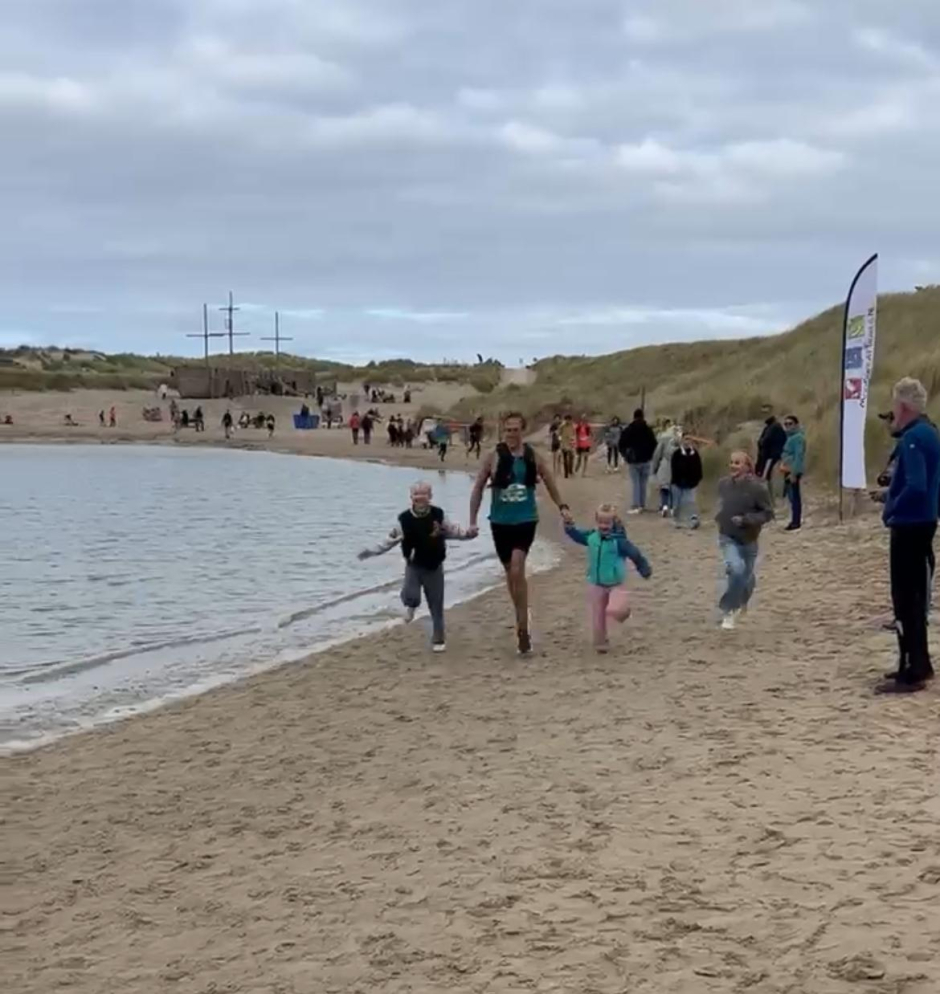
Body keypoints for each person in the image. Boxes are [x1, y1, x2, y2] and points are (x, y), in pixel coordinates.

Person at [469, 411, 571, 656]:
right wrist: (472, 521)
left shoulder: (532, 456)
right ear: (503, 431)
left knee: (517, 568)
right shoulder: (492, 457)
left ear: (522, 431)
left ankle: (522, 627)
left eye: (516, 429)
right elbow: (478, 488)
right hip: (500, 522)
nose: (512, 434)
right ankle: (521, 616)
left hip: (526, 519)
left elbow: (549, 481)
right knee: (510, 573)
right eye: (508, 430)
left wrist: (562, 507)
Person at [358, 481, 475, 652]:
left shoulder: (438, 515)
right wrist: (370, 552)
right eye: (416, 494)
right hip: (414, 565)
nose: (419, 497)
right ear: (411, 497)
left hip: (434, 566)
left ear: (430, 497)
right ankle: (410, 607)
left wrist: (468, 534)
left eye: (423, 494)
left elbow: (452, 531)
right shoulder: (403, 520)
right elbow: (388, 542)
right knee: (411, 595)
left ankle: (438, 639)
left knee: (436, 605)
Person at [877, 377, 940, 694]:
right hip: (924, 521)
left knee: (906, 598)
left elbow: (916, 484)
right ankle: (919, 663)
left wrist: (891, 509)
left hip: (911, 523)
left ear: (902, 406)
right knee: (914, 596)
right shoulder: (929, 432)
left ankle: (912, 670)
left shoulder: (914, 438)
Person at [564, 503, 652, 653]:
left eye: (607, 522)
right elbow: (578, 536)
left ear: (614, 523)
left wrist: (643, 568)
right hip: (596, 583)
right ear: (596, 522)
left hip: (615, 583)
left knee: (614, 610)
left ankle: (624, 612)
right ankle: (601, 642)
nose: (604, 526)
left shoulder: (619, 542)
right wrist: (569, 527)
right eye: (601, 522)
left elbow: (634, 553)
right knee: (598, 615)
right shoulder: (592, 537)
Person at [716, 451, 774, 630]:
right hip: (727, 536)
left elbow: (768, 513)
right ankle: (728, 610)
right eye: (731, 462)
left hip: (749, 539)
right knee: (736, 569)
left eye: (738, 463)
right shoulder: (723, 484)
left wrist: (746, 519)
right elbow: (721, 504)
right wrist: (719, 516)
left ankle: (741, 601)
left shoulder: (758, 488)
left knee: (747, 579)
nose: (733, 466)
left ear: (747, 467)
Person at [619, 409, 658, 513]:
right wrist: (650, 455)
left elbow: (621, 444)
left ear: (634, 416)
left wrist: (625, 456)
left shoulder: (629, 430)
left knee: (636, 483)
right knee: (643, 483)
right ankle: (642, 504)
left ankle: (636, 504)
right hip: (646, 460)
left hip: (633, 460)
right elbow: (654, 444)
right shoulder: (648, 430)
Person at [671, 433, 703, 529]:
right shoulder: (676, 454)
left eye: (689, 439)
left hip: (692, 483)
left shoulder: (695, 454)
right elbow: (673, 468)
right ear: (682, 440)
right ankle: (677, 521)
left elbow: (699, 468)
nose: (687, 441)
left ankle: (693, 520)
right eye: (685, 439)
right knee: (678, 503)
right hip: (678, 482)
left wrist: (697, 479)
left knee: (691, 502)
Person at [780, 415, 806, 531]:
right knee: (791, 497)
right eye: (786, 424)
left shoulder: (798, 438)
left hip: (793, 471)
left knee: (794, 497)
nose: (788, 427)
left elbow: (798, 456)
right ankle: (794, 520)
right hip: (788, 470)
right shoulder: (790, 438)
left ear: (796, 425)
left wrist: (794, 473)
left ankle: (796, 522)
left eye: (790, 424)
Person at [756, 408, 787, 499]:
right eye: (763, 413)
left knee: (769, 479)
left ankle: (773, 501)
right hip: (770, 457)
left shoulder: (774, 427)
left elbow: (764, 441)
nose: (764, 415)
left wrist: (761, 442)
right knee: (768, 479)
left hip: (773, 457)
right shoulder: (769, 427)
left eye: (766, 413)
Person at [651, 421, 680, 517]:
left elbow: (657, 454)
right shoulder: (681, 442)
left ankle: (664, 506)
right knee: (674, 488)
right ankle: (672, 507)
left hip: (665, 465)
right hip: (677, 467)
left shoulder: (663, 439)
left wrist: (654, 468)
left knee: (664, 488)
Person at [559, 414, 576, 479]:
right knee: (565, 459)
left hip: (570, 444)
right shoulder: (562, 426)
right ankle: (566, 473)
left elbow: (574, 435)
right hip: (564, 444)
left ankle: (570, 470)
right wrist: (560, 441)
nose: (568, 421)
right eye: (567, 420)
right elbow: (559, 434)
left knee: (571, 457)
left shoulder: (572, 426)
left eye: (569, 420)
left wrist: (573, 442)